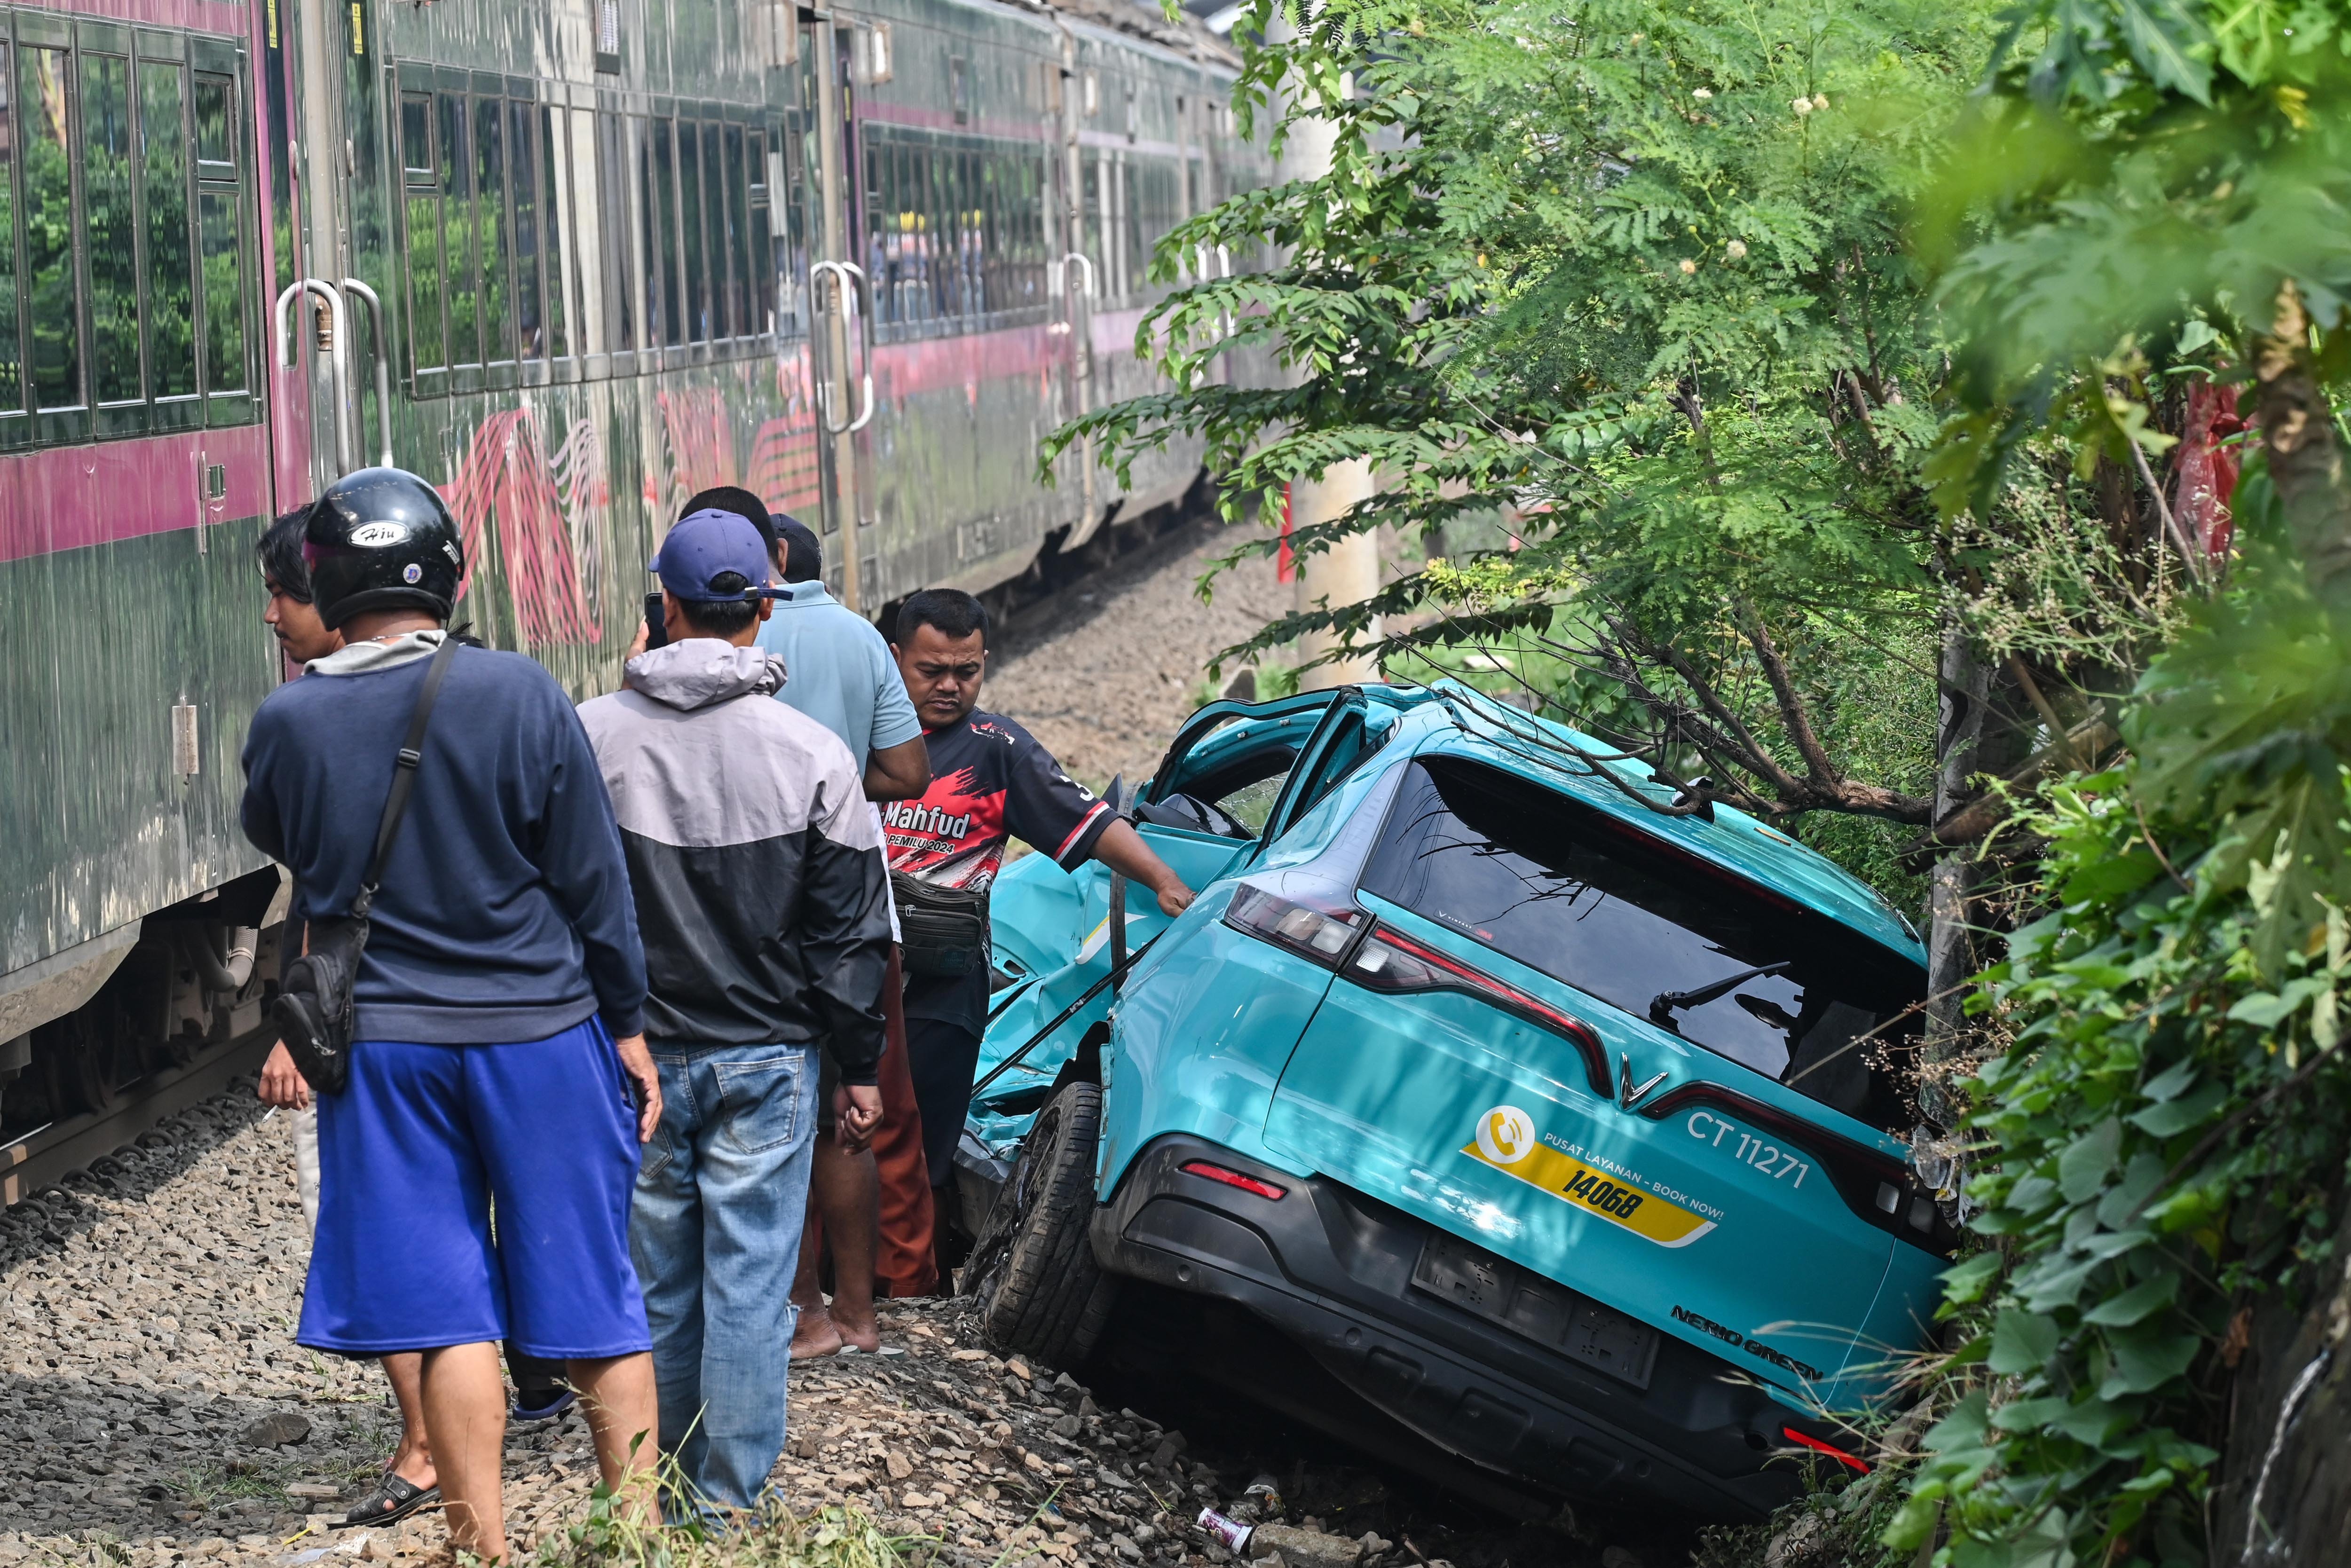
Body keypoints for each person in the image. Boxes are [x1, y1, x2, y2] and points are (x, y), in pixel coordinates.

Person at [238, 467, 663, 1561]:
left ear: (329, 585)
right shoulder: (520, 692)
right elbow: (593, 879)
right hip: (542, 1036)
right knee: (593, 1291)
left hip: (387, 1049)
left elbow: (282, 838)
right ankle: (638, 1534)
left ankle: (484, 1549)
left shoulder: (289, 720)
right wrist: (626, 1024)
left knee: (446, 1315)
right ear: (445, 575)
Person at [577, 507, 892, 1515]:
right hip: (769, 1059)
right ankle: (728, 1507)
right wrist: (859, 1066)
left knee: (657, 1286)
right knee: (752, 1289)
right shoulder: (813, 753)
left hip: (635, 1060)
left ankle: (659, 1494)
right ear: (764, 610)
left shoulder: (590, 736)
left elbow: (557, 903)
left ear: (664, 608)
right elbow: (849, 936)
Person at [884, 589, 1196, 1255]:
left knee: (922, 1137)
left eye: (966, 672)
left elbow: (1089, 824)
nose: (949, 687)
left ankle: (902, 1283)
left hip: (944, 978)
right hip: (853, 969)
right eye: (931, 671)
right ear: (894, 658)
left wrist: (1163, 881)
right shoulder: (858, 735)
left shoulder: (999, 751)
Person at [248, 511, 444, 1529]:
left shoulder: (310, 721)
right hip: (458, 1013)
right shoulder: (465, 689)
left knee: (373, 1224)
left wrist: (296, 1027)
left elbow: (320, 885)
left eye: (285, 593)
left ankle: (425, 1447)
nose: (274, 615)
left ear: (335, 597)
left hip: (365, 1017)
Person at [748, 512, 939, 1352]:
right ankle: (861, 1314)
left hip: (755, 915)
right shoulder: (863, 638)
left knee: (769, 1120)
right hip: (859, 912)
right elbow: (908, 771)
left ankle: (803, 1315)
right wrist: (835, 780)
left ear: (774, 559)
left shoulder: (723, 639)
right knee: (853, 1116)